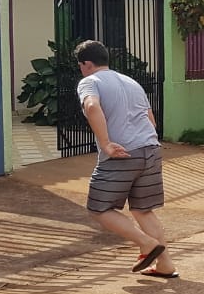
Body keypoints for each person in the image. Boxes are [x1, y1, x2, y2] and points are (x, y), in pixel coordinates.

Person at [75, 40, 178, 278]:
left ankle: (146, 243)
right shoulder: (131, 82)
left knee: (100, 208)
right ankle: (165, 265)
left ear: (87, 64)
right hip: (151, 149)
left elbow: (91, 107)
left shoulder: (90, 82)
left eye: (81, 65)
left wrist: (106, 144)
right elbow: (150, 119)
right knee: (143, 210)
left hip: (122, 153)